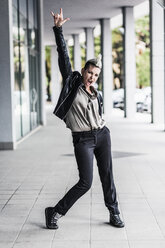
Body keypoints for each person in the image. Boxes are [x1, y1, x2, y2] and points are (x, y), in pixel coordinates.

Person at [45, 8, 124, 229]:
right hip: (83, 139)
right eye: (90, 72)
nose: (92, 77)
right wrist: (59, 29)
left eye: (96, 75)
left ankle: (114, 212)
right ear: (83, 71)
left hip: (102, 135)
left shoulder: (96, 93)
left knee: (107, 176)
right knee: (86, 182)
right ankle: (55, 211)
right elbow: (63, 56)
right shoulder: (73, 85)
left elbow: (96, 113)